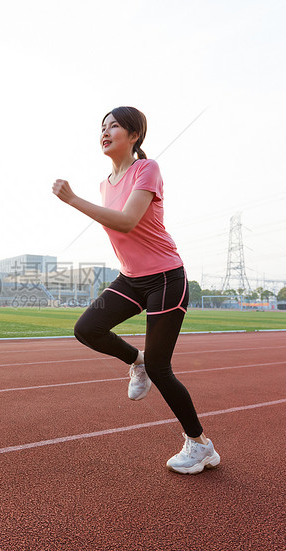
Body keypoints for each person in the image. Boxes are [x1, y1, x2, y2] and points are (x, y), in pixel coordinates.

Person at [52, 106, 219, 475]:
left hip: (165, 277)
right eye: (102, 127)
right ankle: (135, 360)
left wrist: (73, 200)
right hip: (131, 278)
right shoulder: (104, 184)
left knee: (162, 368)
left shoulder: (147, 169)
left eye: (114, 126)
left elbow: (127, 222)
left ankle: (200, 445)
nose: (105, 131)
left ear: (134, 135)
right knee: (87, 329)